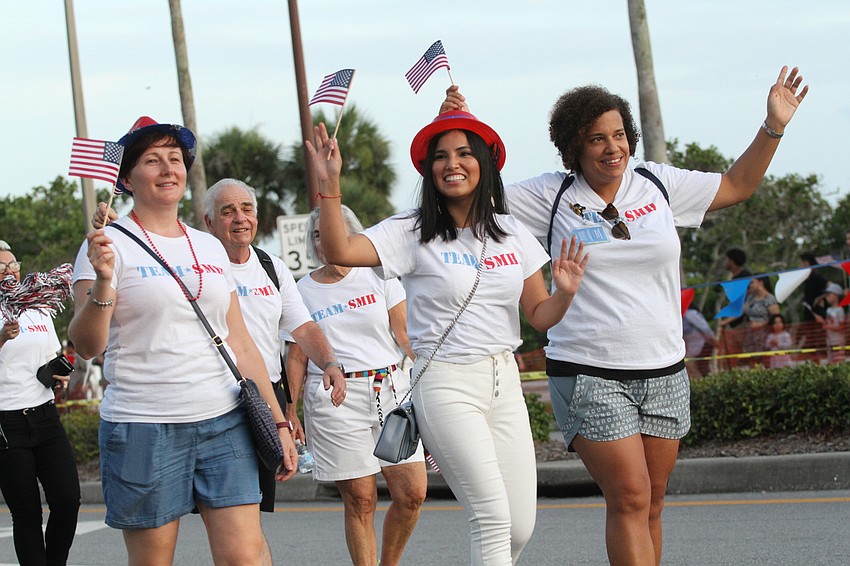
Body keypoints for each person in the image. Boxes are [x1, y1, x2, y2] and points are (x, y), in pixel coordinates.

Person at [442, 64, 808, 565]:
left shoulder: (657, 183)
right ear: (574, 147)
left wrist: (774, 127)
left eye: (619, 135)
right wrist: (460, 133)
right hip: (589, 370)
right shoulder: (548, 196)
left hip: (664, 369)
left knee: (652, 502)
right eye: (597, 139)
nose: (612, 147)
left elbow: (737, 185)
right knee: (631, 497)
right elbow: (469, 196)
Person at [307, 112, 588, 565]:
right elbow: (340, 250)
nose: (451, 164)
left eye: (462, 153)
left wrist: (567, 292)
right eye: (440, 156)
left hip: (503, 380)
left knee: (519, 526)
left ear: (484, 163)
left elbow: (540, 315)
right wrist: (330, 184)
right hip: (445, 382)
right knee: (492, 518)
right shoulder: (411, 230)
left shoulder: (511, 231)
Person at [68, 116, 308, 565]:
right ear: (126, 177)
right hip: (144, 426)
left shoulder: (209, 245)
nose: (167, 169)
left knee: (245, 558)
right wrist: (103, 284)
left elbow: (240, 341)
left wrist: (278, 422)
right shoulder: (106, 244)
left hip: (224, 420)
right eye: (153, 160)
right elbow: (87, 346)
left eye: (175, 159)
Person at [286, 205, 426, 566]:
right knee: (361, 500)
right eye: (315, 235)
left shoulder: (379, 276)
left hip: (391, 392)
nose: (322, 240)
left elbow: (405, 333)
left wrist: (430, 372)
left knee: (412, 494)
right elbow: (298, 355)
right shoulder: (302, 290)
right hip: (335, 399)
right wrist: (291, 409)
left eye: (328, 232)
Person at [0, 239, 81, 565]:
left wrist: (58, 375)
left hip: (45, 414)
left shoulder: (38, 305)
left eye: (13, 264)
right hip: (6, 422)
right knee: (27, 513)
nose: (10, 271)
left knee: (68, 500)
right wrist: (4, 336)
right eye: (3, 267)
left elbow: (51, 357)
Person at [740, 276, 780, 365]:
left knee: (765, 360)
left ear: (760, 282)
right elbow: (741, 311)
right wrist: (724, 321)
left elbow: (776, 318)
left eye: (752, 282)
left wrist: (760, 324)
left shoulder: (770, 299)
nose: (750, 285)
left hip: (764, 334)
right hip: (750, 335)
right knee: (751, 359)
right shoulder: (750, 297)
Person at [798, 252, 827, 357]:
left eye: (802, 262)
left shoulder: (818, 278)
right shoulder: (806, 280)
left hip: (818, 315)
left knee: (820, 344)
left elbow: (831, 289)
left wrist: (820, 299)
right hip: (808, 315)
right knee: (810, 345)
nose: (800, 265)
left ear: (807, 263)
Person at [682, 307, 716, 379]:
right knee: (692, 368)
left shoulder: (690, 313)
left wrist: (712, 339)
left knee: (697, 368)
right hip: (689, 348)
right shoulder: (680, 314)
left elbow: (704, 328)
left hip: (700, 345)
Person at [816, 282, 846, 363]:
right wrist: (822, 322)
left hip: (838, 342)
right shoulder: (828, 310)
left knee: (839, 363)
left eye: (829, 295)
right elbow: (828, 324)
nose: (827, 298)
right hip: (829, 341)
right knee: (831, 363)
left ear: (836, 296)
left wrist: (828, 327)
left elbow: (842, 327)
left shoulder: (840, 310)